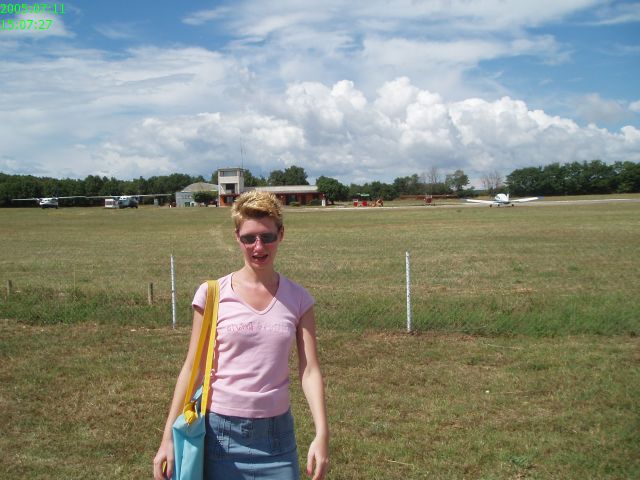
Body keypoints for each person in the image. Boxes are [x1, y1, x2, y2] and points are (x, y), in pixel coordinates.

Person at [153, 190, 329, 480]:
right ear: (237, 237)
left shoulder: (299, 299)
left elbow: (310, 370)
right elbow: (194, 367)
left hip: (277, 440)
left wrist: (322, 434)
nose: (258, 247)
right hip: (219, 436)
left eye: (267, 237)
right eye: (249, 238)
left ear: (281, 235)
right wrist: (168, 437)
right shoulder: (211, 294)